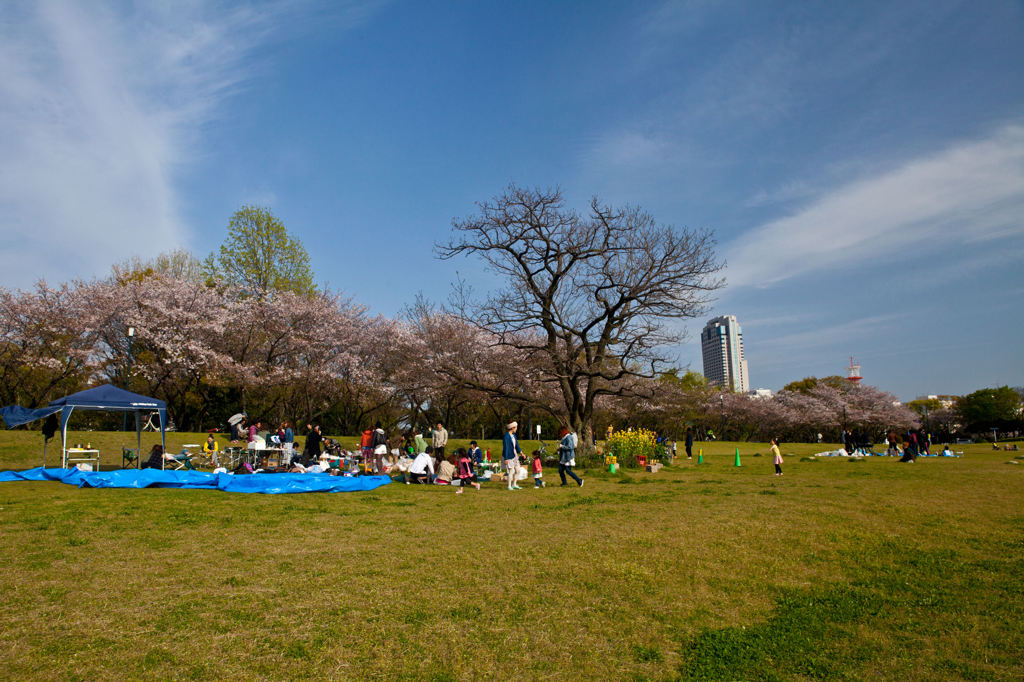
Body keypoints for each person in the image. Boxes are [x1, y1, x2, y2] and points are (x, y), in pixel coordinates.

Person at [503, 421, 524, 490]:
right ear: (512, 428)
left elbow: (517, 445)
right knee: (511, 471)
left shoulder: (514, 436)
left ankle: (514, 484)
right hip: (508, 456)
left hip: (515, 455)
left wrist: (522, 453)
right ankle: (509, 486)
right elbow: (505, 447)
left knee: (518, 470)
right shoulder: (506, 436)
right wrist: (505, 458)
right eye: (516, 427)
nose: (516, 429)